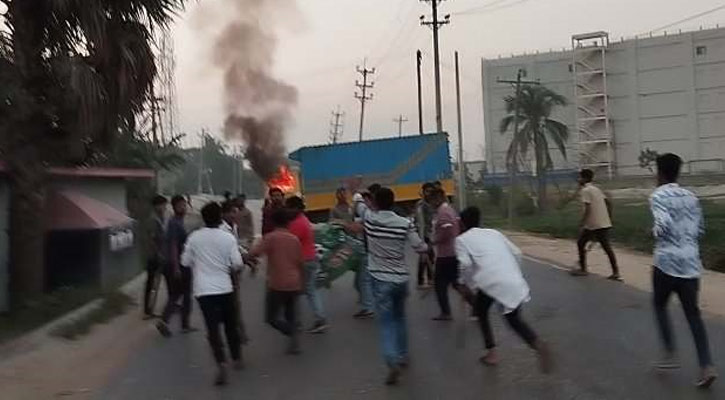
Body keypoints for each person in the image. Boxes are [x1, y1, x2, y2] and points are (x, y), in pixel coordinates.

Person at [455, 206, 552, 372]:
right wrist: (513, 272)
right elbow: (517, 253)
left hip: (489, 281)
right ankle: (536, 343)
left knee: (483, 312)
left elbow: (464, 264)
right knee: (510, 318)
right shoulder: (494, 233)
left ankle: (492, 353)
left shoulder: (461, 240)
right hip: (510, 279)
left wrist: (463, 283)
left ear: (462, 224)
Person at [650, 153, 717, 388]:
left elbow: (662, 225)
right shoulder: (691, 196)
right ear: (677, 172)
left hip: (666, 263)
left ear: (660, 172)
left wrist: (655, 232)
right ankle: (706, 365)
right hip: (690, 264)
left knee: (659, 304)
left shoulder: (658, 195)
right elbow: (700, 230)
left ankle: (669, 352)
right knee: (693, 315)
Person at [348, 187, 428, 385]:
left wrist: (356, 192)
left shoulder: (370, 219)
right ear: (393, 202)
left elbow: (359, 205)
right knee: (400, 318)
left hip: (380, 279)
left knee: (386, 323)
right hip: (400, 279)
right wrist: (426, 248)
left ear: (375, 202)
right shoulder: (404, 223)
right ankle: (403, 355)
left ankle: (391, 360)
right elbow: (419, 246)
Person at [180, 202, 244, 386]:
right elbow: (237, 263)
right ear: (220, 217)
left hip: (203, 290)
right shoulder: (227, 238)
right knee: (230, 326)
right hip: (225, 288)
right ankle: (237, 358)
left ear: (204, 218)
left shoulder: (194, 238)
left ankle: (221, 362)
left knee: (212, 329)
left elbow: (185, 262)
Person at [249, 208, 304, 355]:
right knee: (290, 314)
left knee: (271, 318)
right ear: (288, 222)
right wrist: (302, 282)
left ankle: (291, 332)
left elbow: (254, 253)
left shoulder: (271, 238)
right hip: (294, 282)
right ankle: (293, 342)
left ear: (274, 222)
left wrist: (246, 257)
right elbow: (300, 262)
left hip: (277, 284)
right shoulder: (294, 239)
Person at [286, 196, 329, 333]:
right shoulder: (303, 219)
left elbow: (290, 243)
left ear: (296, 208)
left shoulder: (297, 223)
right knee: (310, 290)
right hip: (310, 259)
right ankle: (319, 318)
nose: (287, 210)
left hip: (303, 261)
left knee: (296, 292)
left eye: (289, 207)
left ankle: (297, 321)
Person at [570, 169, 621, 281]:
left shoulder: (586, 190)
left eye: (580, 177)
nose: (578, 180)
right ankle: (616, 272)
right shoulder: (596, 189)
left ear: (584, 178)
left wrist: (582, 222)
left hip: (593, 224)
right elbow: (608, 203)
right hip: (603, 222)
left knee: (581, 243)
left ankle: (583, 269)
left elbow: (587, 208)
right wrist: (609, 217)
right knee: (607, 247)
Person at [157, 195, 196, 336]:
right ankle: (177, 323)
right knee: (182, 294)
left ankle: (169, 322)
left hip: (179, 263)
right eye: (181, 205)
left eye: (185, 205)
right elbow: (173, 245)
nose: (184, 208)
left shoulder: (178, 222)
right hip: (178, 264)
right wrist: (176, 268)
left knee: (177, 294)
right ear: (174, 207)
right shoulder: (174, 223)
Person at [221, 200, 251, 345]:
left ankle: (240, 331)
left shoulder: (234, 227)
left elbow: (236, 245)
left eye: (235, 211)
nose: (234, 215)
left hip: (234, 272)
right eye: (231, 212)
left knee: (234, 303)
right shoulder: (222, 230)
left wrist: (246, 254)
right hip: (225, 272)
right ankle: (238, 332)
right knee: (232, 304)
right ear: (224, 214)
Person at [430, 188, 461, 321]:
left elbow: (447, 229)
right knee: (455, 282)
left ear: (438, 198)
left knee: (440, 284)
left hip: (446, 254)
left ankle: (446, 312)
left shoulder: (443, 212)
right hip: (451, 252)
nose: (431, 203)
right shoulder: (448, 210)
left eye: (432, 200)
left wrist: (435, 240)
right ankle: (475, 305)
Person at [351, 190, 375, 319]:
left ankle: (368, 306)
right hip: (364, 250)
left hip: (367, 250)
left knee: (363, 280)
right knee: (361, 281)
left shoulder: (365, 211)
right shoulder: (366, 213)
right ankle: (367, 303)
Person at [143, 195, 168, 319]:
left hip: (160, 254)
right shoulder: (153, 220)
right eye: (163, 205)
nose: (165, 207)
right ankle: (148, 309)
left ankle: (151, 307)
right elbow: (152, 239)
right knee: (151, 282)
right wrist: (158, 254)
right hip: (154, 256)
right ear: (157, 206)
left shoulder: (161, 218)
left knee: (155, 282)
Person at [414, 183, 435, 289]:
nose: (429, 193)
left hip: (429, 234)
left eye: (431, 191)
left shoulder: (431, 204)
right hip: (423, 234)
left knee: (429, 256)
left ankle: (429, 279)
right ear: (423, 192)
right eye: (427, 191)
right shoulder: (421, 205)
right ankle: (421, 280)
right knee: (424, 257)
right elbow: (421, 223)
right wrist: (421, 240)